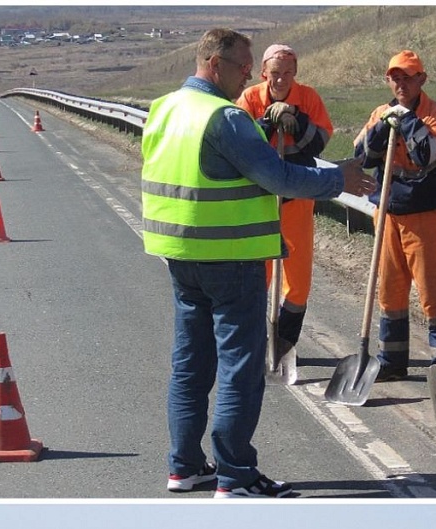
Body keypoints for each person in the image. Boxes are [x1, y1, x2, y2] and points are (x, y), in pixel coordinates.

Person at [142, 28, 373, 498]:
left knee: (190, 364)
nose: (251, 73)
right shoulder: (224, 118)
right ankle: (236, 475)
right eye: (243, 65)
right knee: (240, 369)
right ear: (212, 62)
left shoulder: (164, 108)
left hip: (182, 255)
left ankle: (184, 466)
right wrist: (338, 179)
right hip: (231, 256)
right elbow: (278, 175)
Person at [354, 51, 436, 381]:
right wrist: (382, 128)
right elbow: (362, 156)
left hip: (425, 217)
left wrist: (407, 121)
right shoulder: (381, 114)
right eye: (395, 77)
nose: (401, 83)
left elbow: (427, 154)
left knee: (435, 295)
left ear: (421, 79)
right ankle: (391, 361)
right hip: (387, 215)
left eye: (408, 77)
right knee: (390, 291)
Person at [238, 44, 335, 359]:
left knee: (298, 282)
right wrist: (267, 124)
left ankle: (283, 345)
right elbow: (241, 146)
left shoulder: (308, 98)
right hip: (259, 202)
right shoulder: (250, 99)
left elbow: (318, 144)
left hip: (297, 200)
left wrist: (298, 120)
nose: (281, 80)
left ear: (295, 73)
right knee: (257, 277)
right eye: (275, 73)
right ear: (264, 72)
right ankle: (254, 343)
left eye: (287, 73)